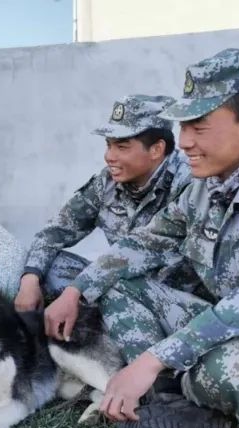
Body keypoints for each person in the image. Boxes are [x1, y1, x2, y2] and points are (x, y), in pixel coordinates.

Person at [45, 43, 239, 428]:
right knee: (119, 285)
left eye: (199, 126)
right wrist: (76, 291)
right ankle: (170, 398)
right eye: (183, 128)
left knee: (228, 370)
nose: (185, 141)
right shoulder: (207, 184)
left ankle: (195, 396)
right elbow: (144, 243)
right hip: (231, 326)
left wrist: (155, 358)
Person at [15, 94, 193, 320]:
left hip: (174, 299)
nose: (109, 156)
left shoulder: (189, 182)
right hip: (115, 281)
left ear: (157, 149)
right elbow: (56, 232)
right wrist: (30, 279)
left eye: (122, 146)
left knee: (108, 288)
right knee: (51, 266)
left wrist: (81, 289)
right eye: (108, 145)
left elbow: (148, 255)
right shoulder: (106, 182)